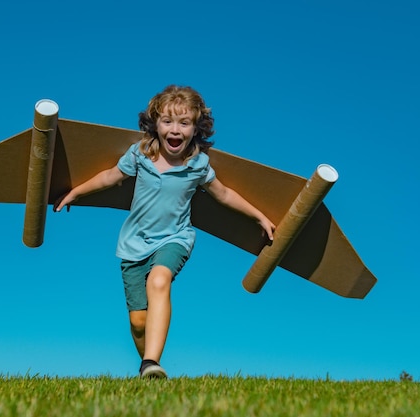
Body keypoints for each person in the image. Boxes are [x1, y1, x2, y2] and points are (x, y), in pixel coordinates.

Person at [54, 85, 275, 378]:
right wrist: (76, 193)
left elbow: (224, 194)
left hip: (175, 238)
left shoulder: (198, 166)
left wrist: (259, 216)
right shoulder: (140, 155)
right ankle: (148, 369)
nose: (175, 130)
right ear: (155, 124)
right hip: (134, 244)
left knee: (159, 280)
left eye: (184, 123)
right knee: (137, 322)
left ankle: (151, 363)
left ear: (196, 129)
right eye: (168, 121)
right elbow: (110, 177)